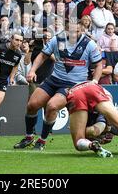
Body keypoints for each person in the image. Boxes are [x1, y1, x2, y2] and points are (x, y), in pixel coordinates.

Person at [14, 22, 103, 151]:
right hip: (54, 79)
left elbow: (99, 65)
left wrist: (95, 81)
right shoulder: (58, 39)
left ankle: (42, 140)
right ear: (66, 30)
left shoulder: (89, 44)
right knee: (32, 105)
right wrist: (32, 70)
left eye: (77, 31)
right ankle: (29, 137)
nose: (74, 34)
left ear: (82, 31)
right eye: (71, 32)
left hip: (74, 85)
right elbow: (43, 55)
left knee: (52, 106)